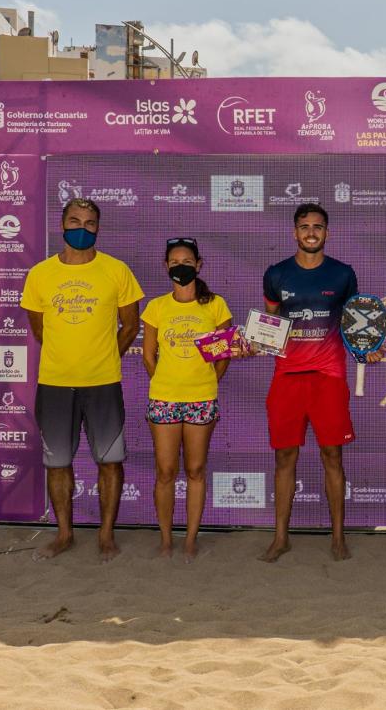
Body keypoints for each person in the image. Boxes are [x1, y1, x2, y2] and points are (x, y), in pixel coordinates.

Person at [20, 198, 143, 561]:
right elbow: (39, 328)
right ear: (62, 225)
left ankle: (106, 535)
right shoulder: (40, 274)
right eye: (75, 221)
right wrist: (70, 356)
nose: (82, 228)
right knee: (57, 463)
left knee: (110, 461)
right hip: (55, 383)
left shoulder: (117, 270)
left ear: (98, 228)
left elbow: (131, 325)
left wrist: (104, 356)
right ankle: (64, 534)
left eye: (90, 223)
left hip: (104, 382)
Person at [260, 203, 380, 563]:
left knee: (333, 455)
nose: (311, 232)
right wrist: (255, 341)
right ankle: (280, 538)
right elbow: (270, 324)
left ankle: (338, 538)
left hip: (329, 379)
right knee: (285, 458)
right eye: (304, 226)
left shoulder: (343, 274)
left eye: (318, 226)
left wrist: (364, 350)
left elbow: (354, 324)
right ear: (294, 232)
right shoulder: (276, 274)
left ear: (327, 232)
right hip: (287, 378)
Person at [141, 238, 232, 562]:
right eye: (175, 261)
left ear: (198, 265)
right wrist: (165, 381)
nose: (181, 266)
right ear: (166, 267)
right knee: (165, 471)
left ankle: (191, 540)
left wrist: (207, 380)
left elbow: (223, 354)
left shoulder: (215, 304)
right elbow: (148, 356)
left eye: (187, 261)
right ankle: (166, 540)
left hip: (201, 398)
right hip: (163, 398)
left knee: (195, 469)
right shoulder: (156, 307)